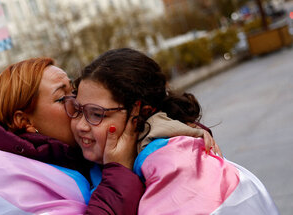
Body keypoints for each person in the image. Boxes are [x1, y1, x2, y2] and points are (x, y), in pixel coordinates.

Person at [0, 58, 145, 214]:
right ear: (24, 121)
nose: (78, 103)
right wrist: (119, 171)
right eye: (61, 98)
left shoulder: (62, 158)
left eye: (73, 91)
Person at [68, 48, 279, 214]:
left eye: (96, 114)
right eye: (77, 110)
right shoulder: (107, 160)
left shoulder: (176, 164)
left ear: (140, 114)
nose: (80, 125)